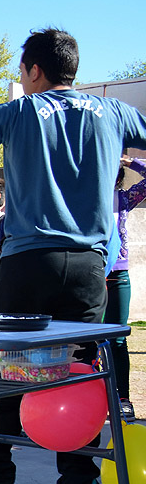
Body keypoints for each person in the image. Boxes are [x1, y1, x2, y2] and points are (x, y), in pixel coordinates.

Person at [0, 27, 146, 484]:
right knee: (82, 369)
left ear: (35, 70)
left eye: (22, 71)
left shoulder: (19, 112)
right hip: (90, 266)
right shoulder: (114, 112)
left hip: (28, 263)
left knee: (11, 370)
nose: (22, 80)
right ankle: (79, 482)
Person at [107, 156, 146, 419]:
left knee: (118, 339)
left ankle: (122, 399)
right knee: (85, 340)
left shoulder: (123, 199)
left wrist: (129, 160)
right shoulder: (80, 199)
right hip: (87, 274)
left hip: (118, 276)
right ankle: (93, 395)